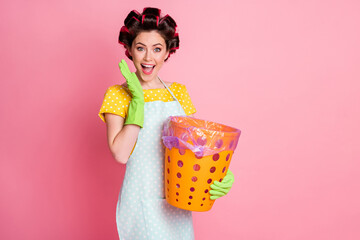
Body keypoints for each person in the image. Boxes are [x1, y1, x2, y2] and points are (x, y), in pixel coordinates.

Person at [98, 7, 234, 239]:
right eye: (140, 48)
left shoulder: (178, 92)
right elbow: (120, 154)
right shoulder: (117, 94)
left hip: (177, 199)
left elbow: (192, 149)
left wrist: (218, 175)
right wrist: (137, 104)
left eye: (157, 49)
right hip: (140, 198)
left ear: (167, 53)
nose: (148, 58)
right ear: (130, 50)